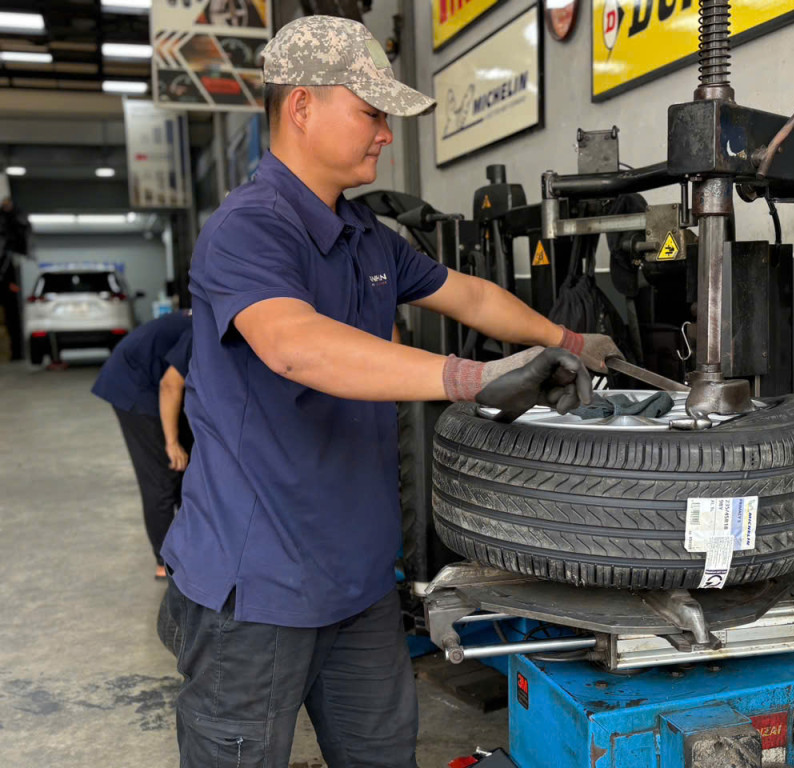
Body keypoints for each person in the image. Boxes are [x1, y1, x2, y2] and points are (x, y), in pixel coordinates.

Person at [159, 15, 620, 768]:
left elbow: (470, 295)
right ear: (301, 106)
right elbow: (295, 346)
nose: (384, 134)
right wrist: (472, 378)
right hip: (256, 586)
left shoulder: (366, 236)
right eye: (370, 113)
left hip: (359, 583)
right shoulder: (248, 229)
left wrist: (567, 341)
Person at [92, 310, 193, 579]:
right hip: (135, 384)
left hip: (155, 377)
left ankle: (187, 548)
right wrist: (172, 442)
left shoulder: (208, 319)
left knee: (187, 469)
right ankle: (164, 561)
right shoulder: (202, 332)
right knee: (161, 475)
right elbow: (170, 385)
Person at [0, 196, 30, 361]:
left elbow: (23, 232)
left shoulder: (17, 219)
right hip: (7, 270)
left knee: (13, 315)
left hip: (9, 272)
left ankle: (17, 352)